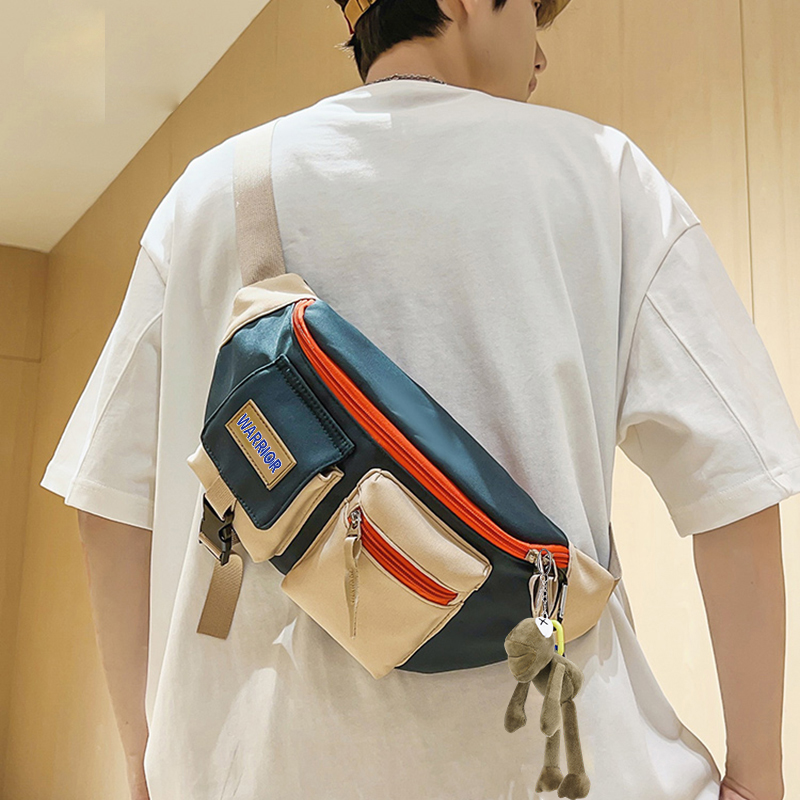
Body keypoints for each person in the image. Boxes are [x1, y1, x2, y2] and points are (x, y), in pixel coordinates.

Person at [39, 0, 798, 798]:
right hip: (559, 765)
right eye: (533, 14)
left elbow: (108, 503)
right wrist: (759, 778)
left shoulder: (209, 196)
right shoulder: (605, 176)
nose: (540, 55)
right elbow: (733, 481)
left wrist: (145, 762)